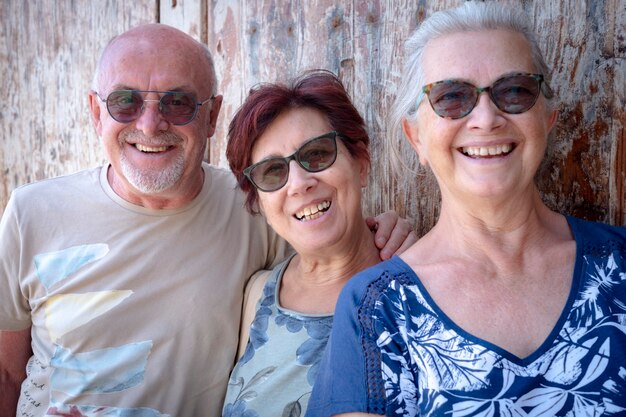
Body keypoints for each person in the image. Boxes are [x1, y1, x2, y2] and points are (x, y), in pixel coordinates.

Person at [0, 24, 414, 417]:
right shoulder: (31, 213)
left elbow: (328, 239)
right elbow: (5, 373)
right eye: (124, 101)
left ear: (212, 115)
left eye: (176, 102)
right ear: (95, 111)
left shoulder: (254, 207)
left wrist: (394, 236)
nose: (149, 124)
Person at [306, 2, 626, 416]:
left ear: (547, 119)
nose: (486, 118)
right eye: (451, 97)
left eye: (514, 90)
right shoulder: (378, 308)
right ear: (416, 137)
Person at [220, 70, 415, 417]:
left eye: (317, 153)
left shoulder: (418, 291)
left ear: (361, 163)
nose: (298, 183)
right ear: (260, 204)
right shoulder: (258, 295)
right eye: (272, 172)